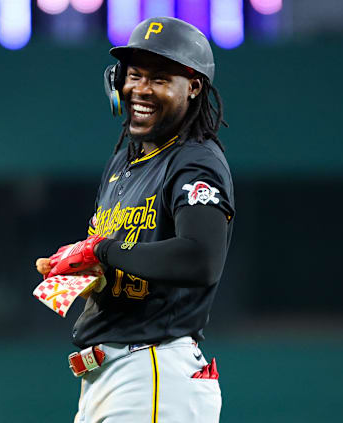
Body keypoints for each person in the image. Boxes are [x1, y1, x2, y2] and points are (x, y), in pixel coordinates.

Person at [36, 16, 234, 423]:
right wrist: (79, 264)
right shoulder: (125, 163)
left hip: (153, 370)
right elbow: (127, 257)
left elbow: (201, 259)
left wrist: (104, 250)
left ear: (193, 86)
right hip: (110, 376)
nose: (140, 89)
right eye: (135, 75)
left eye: (160, 78)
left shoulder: (194, 161)